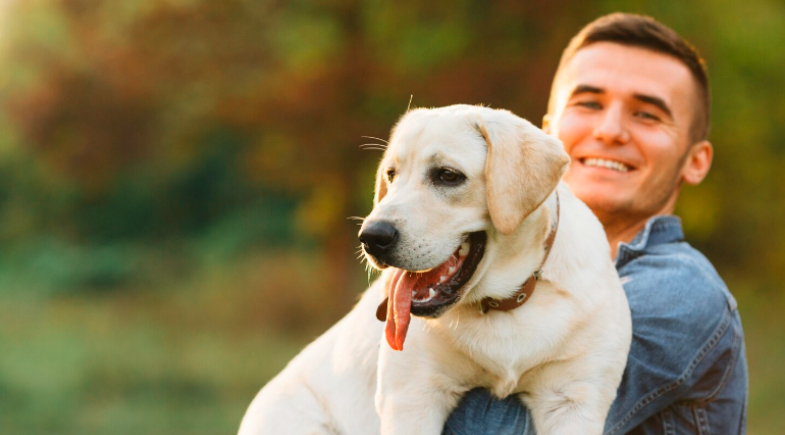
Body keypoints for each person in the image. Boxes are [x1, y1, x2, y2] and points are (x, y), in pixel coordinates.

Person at [442, 13, 748, 435]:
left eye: (647, 114)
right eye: (588, 103)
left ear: (695, 162)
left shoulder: (680, 292)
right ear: (546, 134)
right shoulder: (501, 277)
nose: (609, 130)